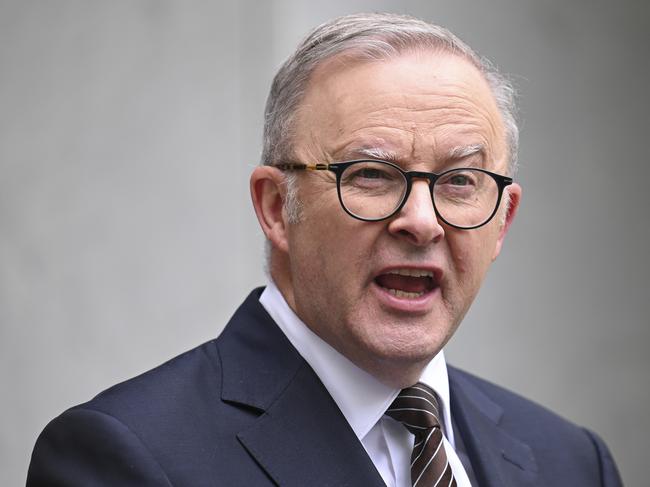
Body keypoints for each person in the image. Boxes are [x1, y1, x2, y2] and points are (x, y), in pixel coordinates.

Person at [27, 12, 622, 487]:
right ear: (274, 207)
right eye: (369, 174)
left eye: (460, 182)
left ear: (503, 222)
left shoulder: (571, 461)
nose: (421, 222)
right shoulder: (125, 458)